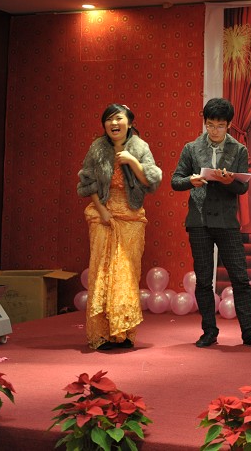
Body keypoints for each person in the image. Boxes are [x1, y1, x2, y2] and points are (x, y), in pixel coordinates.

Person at [171, 98, 251, 349]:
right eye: (210, 125)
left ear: (228, 125)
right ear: (205, 123)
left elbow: (242, 187)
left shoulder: (238, 150)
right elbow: (175, 180)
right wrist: (191, 180)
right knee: (204, 280)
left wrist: (229, 181)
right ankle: (209, 331)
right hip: (199, 220)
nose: (214, 130)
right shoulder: (191, 148)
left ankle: (249, 332)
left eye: (220, 126)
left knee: (240, 277)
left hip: (227, 222)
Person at [77, 103, 162, 351]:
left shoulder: (140, 147)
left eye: (118, 119)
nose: (114, 124)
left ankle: (123, 333)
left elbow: (151, 181)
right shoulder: (97, 147)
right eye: (109, 120)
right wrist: (102, 210)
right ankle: (102, 335)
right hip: (102, 214)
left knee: (126, 273)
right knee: (101, 271)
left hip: (131, 215)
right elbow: (87, 182)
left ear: (130, 123)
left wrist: (132, 161)